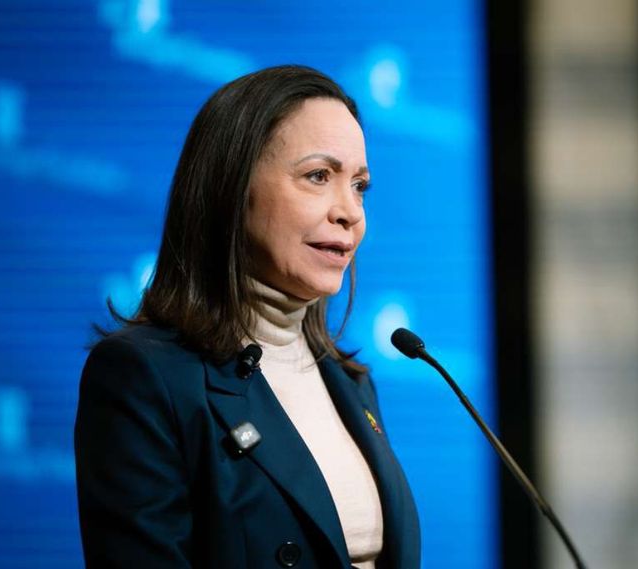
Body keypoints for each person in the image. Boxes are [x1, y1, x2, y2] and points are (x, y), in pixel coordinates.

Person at [74, 65, 421, 569]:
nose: (350, 212)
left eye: (360, 185)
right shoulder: (145, 378)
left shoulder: (350, 381)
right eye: (318, 176)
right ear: (231, 189)